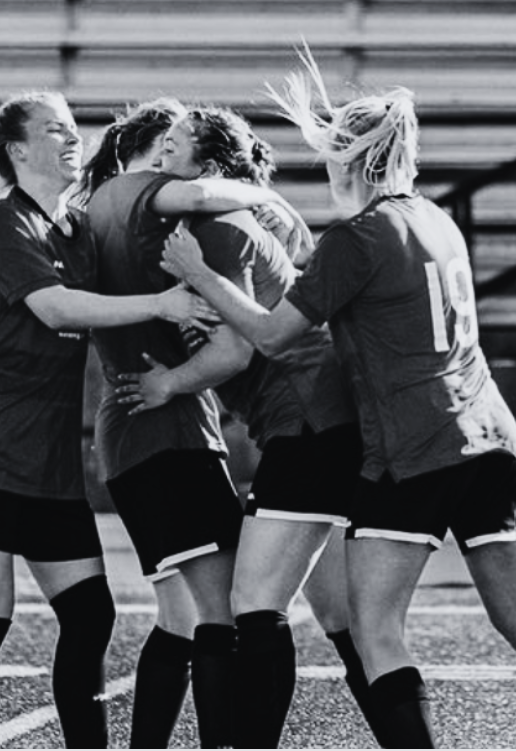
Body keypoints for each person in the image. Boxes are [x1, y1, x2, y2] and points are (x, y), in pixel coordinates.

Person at [160, 50, 516, 749]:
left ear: (347, 160)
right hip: (495, 437)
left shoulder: (357, 237)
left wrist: (199, 274)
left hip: (416, 445)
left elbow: (273, 335)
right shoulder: (437, 218)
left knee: (375, 629)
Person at [0, 92, 216, 749]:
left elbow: (123, 267)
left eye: (72, 126)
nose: (73, 137)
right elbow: (56, 308)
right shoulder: (3, 222)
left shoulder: (77, 229)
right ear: (18, 150)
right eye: (55, 129)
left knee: (89, 614)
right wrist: (162, 304)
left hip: (48, 465)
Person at [77, 100, 353, 748]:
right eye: (165, 144)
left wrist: (172, 374)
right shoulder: (157, 210)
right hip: (231, 428)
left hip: (294, 422)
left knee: (245, 610)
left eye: (181, 142)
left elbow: (236, 346)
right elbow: (236, 341)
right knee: (276, 612)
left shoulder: (199, 227)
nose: (168, 157)